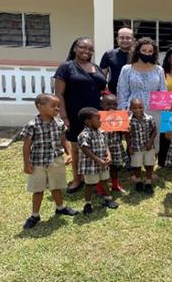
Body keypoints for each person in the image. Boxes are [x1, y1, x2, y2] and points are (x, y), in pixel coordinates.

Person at [54, 37, 107, 194]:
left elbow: (103, 90)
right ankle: (78, 179)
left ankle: (96, 178)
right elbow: (59, 94)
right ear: (75, 48)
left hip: (96, 114)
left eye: (90, 49)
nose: (87, 51)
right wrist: (64, 117)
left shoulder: (95, 67)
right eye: (83, 47)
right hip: (74, 113)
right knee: (76, 148)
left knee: (97, 145)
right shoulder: (66, 67)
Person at [21, 94, 79, 229]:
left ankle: (60, 207)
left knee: (56, 186)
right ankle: (35, 215)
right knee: (38, 189)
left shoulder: (59, 123)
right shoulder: (32, 125)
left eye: (58, 106)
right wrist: (26, 163)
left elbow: (64, 139)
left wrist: (69, 153)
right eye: (53, 106)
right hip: (38, 162)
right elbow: (26, 146)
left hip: (56, 160)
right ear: (40, 107)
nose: (57, 109)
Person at [77, 107, 119, 213]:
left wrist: (108, 156)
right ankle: (87, 203)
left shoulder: (101, 132)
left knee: (104, 181)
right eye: (98, 119)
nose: (101, 121)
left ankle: (108, 199)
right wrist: (98, 160)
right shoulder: (84, 135)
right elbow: (85, 150)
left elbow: (106, 146)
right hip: (90, 166)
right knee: (90, 185)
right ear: (88, 121)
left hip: (103, 164)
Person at [95, 94, 127, 196]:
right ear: (101, 104)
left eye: (114, 104)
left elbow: (122, 132)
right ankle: (99, 187)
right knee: (102, 167)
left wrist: (125, 128)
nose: (111, 107)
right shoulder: (97, 117)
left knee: (115, 166)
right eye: (108, 104)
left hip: (116, 145)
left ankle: (115, 184)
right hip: (102, 147)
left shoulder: (119, 116)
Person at [127, 98, 157, 194]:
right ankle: (138, 181)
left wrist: (150, 142)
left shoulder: (149, 118)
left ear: (144, 107)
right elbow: (127, 135)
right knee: (137, 166)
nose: (138, 110)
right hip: (136, 148)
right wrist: (129, 147)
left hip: (148, 147)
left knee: (149, 165)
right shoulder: (129, 120)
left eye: (140, 107)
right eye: (134, 108)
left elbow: (154, 131)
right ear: (130, 108)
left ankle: (148, 182)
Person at [100, 27, 134, 95]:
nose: (125, 40)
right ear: (117, 39)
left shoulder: (140, 55)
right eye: (121, 37)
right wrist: (105, 94)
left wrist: (158, 104)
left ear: (133, 40)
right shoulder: (109, 54)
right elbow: (102, 77)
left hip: (136, 97)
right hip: (114, 96)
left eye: (128, 38)